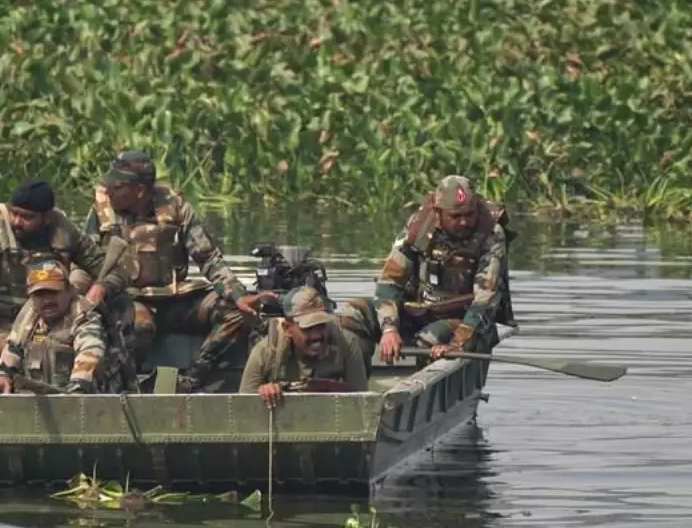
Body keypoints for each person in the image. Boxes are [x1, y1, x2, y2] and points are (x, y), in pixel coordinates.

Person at [80, 151, 260, 392]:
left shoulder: (176, 208)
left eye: (117, 185)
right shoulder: (102, 212)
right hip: (130, 299)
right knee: (138, 326)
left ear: (140, 190)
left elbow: (208, 258)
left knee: (235, 313)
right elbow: (82, 261)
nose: (109, 189)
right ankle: (125, 389)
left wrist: (238, 295)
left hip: (175, 299)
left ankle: (192, 380)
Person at [338, 175, 517, 367]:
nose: (464, 222)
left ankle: (419, 391)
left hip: (462, 319)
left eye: (469, 214)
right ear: (439, 212)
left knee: (428, 339)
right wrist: (390, 329)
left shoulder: (490, 233)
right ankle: (357, 377)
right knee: (352, 313)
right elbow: (390, 279)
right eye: (456, 216)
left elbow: (486, 297)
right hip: (419, 309)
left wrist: (459, 342)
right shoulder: (419, 226)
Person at [0, 179, 130, 366]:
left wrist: (102, 286)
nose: (17, 222)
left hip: (56, 319)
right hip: (5, 323)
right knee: (28, 355)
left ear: (47, 218)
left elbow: (115, 271)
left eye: (27, 217)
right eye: (14, 214)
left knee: (119, 308)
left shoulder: (65, 232)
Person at [0, 259, 106, 394]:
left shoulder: (83, 314)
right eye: (39, 295)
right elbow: (12, 352)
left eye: (53, 293)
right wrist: (1, 376)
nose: (47, 301)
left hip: (81, 395)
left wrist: (77, 388)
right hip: (41, 398)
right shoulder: (30, 316)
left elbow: (89, 352)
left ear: (69, 291)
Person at [240, 286, 368, 409]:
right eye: (308, 329)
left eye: (321, 325)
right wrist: (262, 393)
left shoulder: (346, 342)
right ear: (287, 329)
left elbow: (361, 402)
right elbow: (242, 407)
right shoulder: (265, 351)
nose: (317, 336)